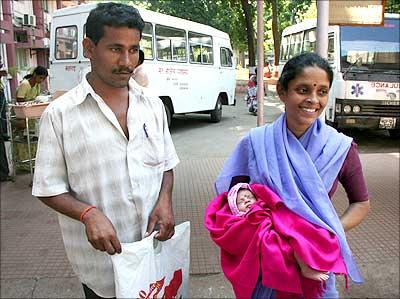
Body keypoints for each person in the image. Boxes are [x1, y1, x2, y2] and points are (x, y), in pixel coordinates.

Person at [32, 3, 179, 298]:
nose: (127, 61)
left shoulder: (153, 106)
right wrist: (88, 214)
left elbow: (166, 164)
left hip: (153, 257)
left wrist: (165, 201)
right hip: (101, 267)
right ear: (89, 47)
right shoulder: (60, 115)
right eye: (115, 49)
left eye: (134, 49)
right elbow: (48, 188)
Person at [214, 53, 370, 298]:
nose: (313, 100)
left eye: (322, 92)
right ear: (282, 91)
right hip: (267, 263)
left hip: (315, 262)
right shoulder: (256, 143)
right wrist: (284, 242)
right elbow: (232, 202)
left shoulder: (340, 148)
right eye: (303, 89)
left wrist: (322, 235)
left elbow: (361, 203)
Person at [206, 182, 348, 299]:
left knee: (296, 236)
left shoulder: (263, 205)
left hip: (276, 225)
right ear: (235, 208)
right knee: (279, 247)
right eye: (241, 201)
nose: (247, 200)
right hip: (265, 242)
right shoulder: (237, 222)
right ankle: (301, 268)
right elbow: (238, 237)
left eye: (249, 197)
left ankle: (306, 267)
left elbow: (278, 212)